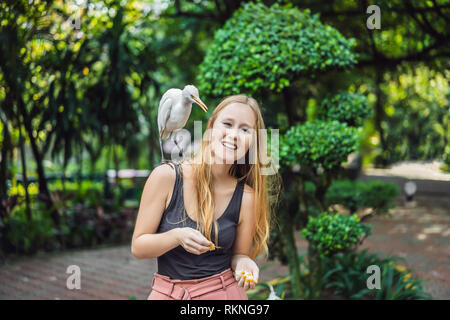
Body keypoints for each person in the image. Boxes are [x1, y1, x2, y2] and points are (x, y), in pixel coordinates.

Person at [131, 94, 281, 300]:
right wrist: (177, 237)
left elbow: (239, 255)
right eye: (227, 123)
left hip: (225, 294)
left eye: (245, 129)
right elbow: (138, 246)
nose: (234, 135)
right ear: (211, 127)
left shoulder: (246, 197)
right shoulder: (166, 177)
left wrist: (244, 262)